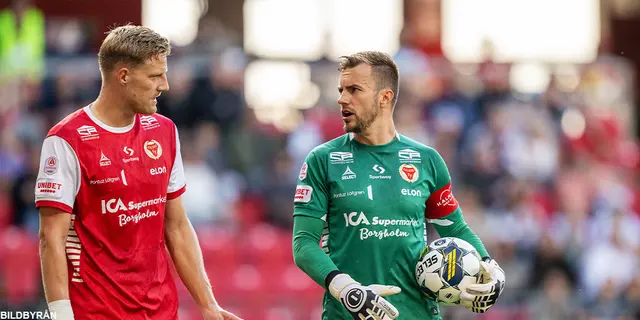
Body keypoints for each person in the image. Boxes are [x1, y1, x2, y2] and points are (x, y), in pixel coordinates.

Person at [35, 25, 241, 320]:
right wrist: (60, 314)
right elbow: (50, 238)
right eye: (155, 76)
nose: (165, 85)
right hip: (95, 313)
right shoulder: (67, 139)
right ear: (123, 76)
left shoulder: (165, 131)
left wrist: (208, 304)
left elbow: (178, 226)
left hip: (162, 311)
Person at [292, 51, 506, 319]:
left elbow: (456, 227)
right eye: (341, 90)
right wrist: (345, 288)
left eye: (354, 89)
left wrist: (489, 265)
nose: (342, 98)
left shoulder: (427, 160)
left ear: (385, 97)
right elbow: (303, 244)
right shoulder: (323, 160)